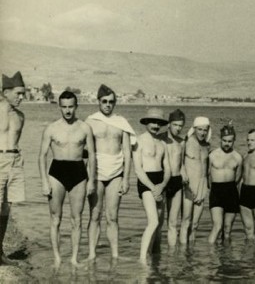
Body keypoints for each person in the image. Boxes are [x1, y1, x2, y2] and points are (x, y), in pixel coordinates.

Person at [38, 91, 96, 267]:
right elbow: (42, 156)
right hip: (57, 172)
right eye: (64, 107)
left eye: (71, 106)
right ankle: (57, 258)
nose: (68, 110)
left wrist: (92, 180)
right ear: (59, 107)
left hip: (78, 172)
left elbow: (92, 155)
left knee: (76, 219)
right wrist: (44, 181)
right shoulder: (51, 128)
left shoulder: (85, 128)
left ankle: (74, 259)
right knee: (56, 218)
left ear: (76, 106)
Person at [86, 84, 136, 260]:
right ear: (98, 101)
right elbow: (85, 151)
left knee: (112, 216)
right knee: (95, 215)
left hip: (116, 172)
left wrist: (126, 179)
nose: (108, 105)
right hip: (96, 173)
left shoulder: (121, 123)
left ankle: (115, 255)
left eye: (111, 102)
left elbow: (128, 153)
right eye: (104, 101)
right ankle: (92, 254)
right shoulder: (90, 122)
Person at [133, 108, 171, 264]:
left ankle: (154, 256)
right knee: (153, 221)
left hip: (160, 181)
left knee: (160, 224)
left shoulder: (162, 144)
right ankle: (142, 259)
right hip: (146, 181)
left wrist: (161, 185)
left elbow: (168, 168)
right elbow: (137, 169)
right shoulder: (139, 141)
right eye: (153, 122)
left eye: (159, 123)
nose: (156, 125)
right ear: (146, 122)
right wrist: (152, 187)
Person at [0, 72, 26, 266]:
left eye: (23, 93)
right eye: (18, 93)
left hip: (15, 161)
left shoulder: (20, 116)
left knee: (7, 207)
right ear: (6, 92)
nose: (21, 97)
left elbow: (16, 140)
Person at [208, 125, 243, 243]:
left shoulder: (238, 157)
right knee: (217, 226)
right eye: (224, 141)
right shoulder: (212, 155)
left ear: (234, 141)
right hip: (216, 191)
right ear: (220, 139)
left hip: (231, 191)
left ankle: (226, 258)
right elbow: (207, 175)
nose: (227, 143)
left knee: (227, 229)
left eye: (230, 141)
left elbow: (238, 177)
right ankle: (211, 256)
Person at [179, 116, 210, 244]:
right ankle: (181, 252)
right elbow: (180, 163)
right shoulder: (186, 142)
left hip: (202, 186)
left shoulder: (207, 145)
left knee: (195, 224)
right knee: (186, 221)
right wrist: (183, 174)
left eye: (205, 130)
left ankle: (190, 254)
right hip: (189, 186)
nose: (202, 133)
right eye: (200, 129)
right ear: (194, 129)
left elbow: (206, 168)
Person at [161, 109, 186, 246]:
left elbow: (181, 163)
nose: (178, 128)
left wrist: (184, 172)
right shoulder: (161, 139)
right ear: (169, 124)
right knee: (158, 221)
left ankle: (171, 256)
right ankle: (155, 254)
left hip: (176, 182)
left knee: (172, 222)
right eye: (175, 125)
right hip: (163, 181)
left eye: (181, 125)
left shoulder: (181, 143)